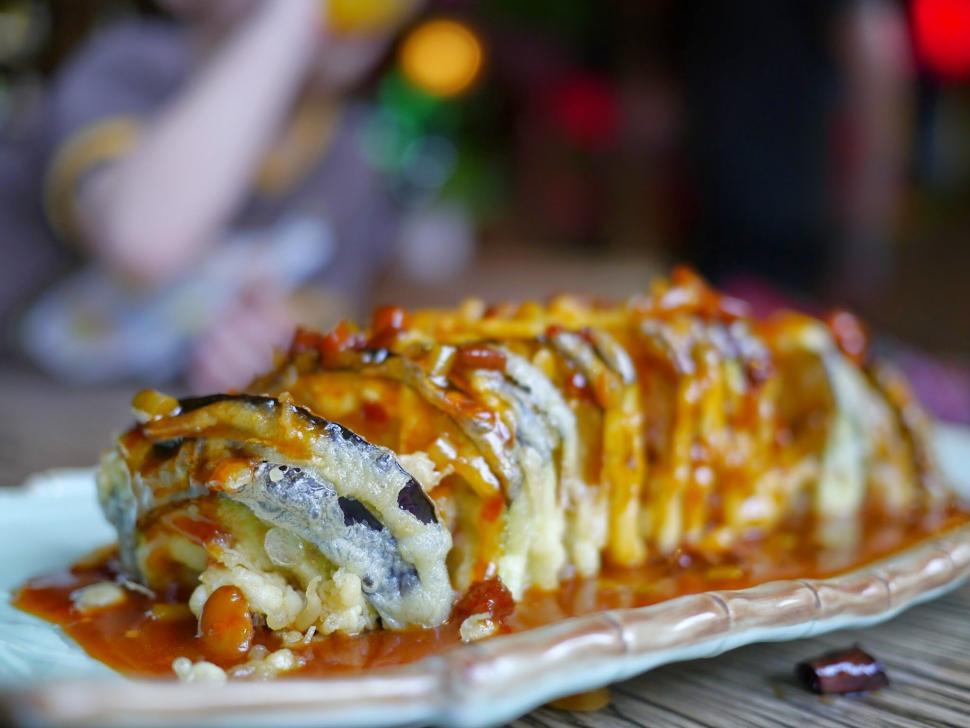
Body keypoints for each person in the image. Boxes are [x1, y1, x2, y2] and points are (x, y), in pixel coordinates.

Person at [2, 0, 419, 391]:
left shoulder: (352, 155)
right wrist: (290, 19)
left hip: (142, 428)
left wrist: (274, 341)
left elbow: (328, 315)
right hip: (22, 399)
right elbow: (145, 240)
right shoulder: (133, 68)